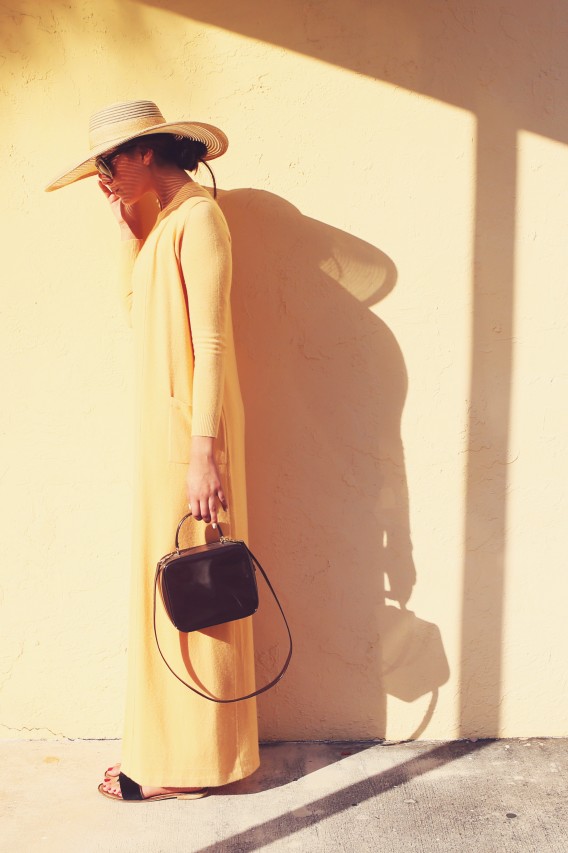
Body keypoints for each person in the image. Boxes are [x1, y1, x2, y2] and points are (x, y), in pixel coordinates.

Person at [45, 100, 259, 801]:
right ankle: (171, 753)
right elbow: (138, 316)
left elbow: (213, 344)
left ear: (145, 151)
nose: (104, 178)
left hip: (189, 436)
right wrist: (127, 230)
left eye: (109, 163)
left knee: (195, 588)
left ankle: (192, 767)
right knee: (169, 587)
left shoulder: (200, 220)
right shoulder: (163, 224)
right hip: (164, 434)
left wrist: (205, 452)